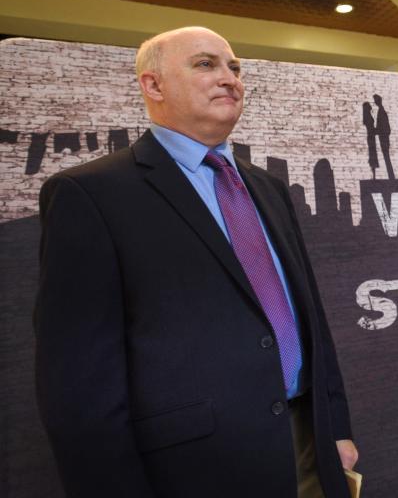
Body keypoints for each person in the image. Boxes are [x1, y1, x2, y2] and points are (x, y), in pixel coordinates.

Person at [34, 26, 357, 498]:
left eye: (235, 67)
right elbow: (78, 382)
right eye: (205, 64)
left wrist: (336, 426)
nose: (229, 78)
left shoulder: (267, 187)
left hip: (308, 449)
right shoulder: (91, 194)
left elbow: (310, 321)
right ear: (153, 85)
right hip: (193, 471)